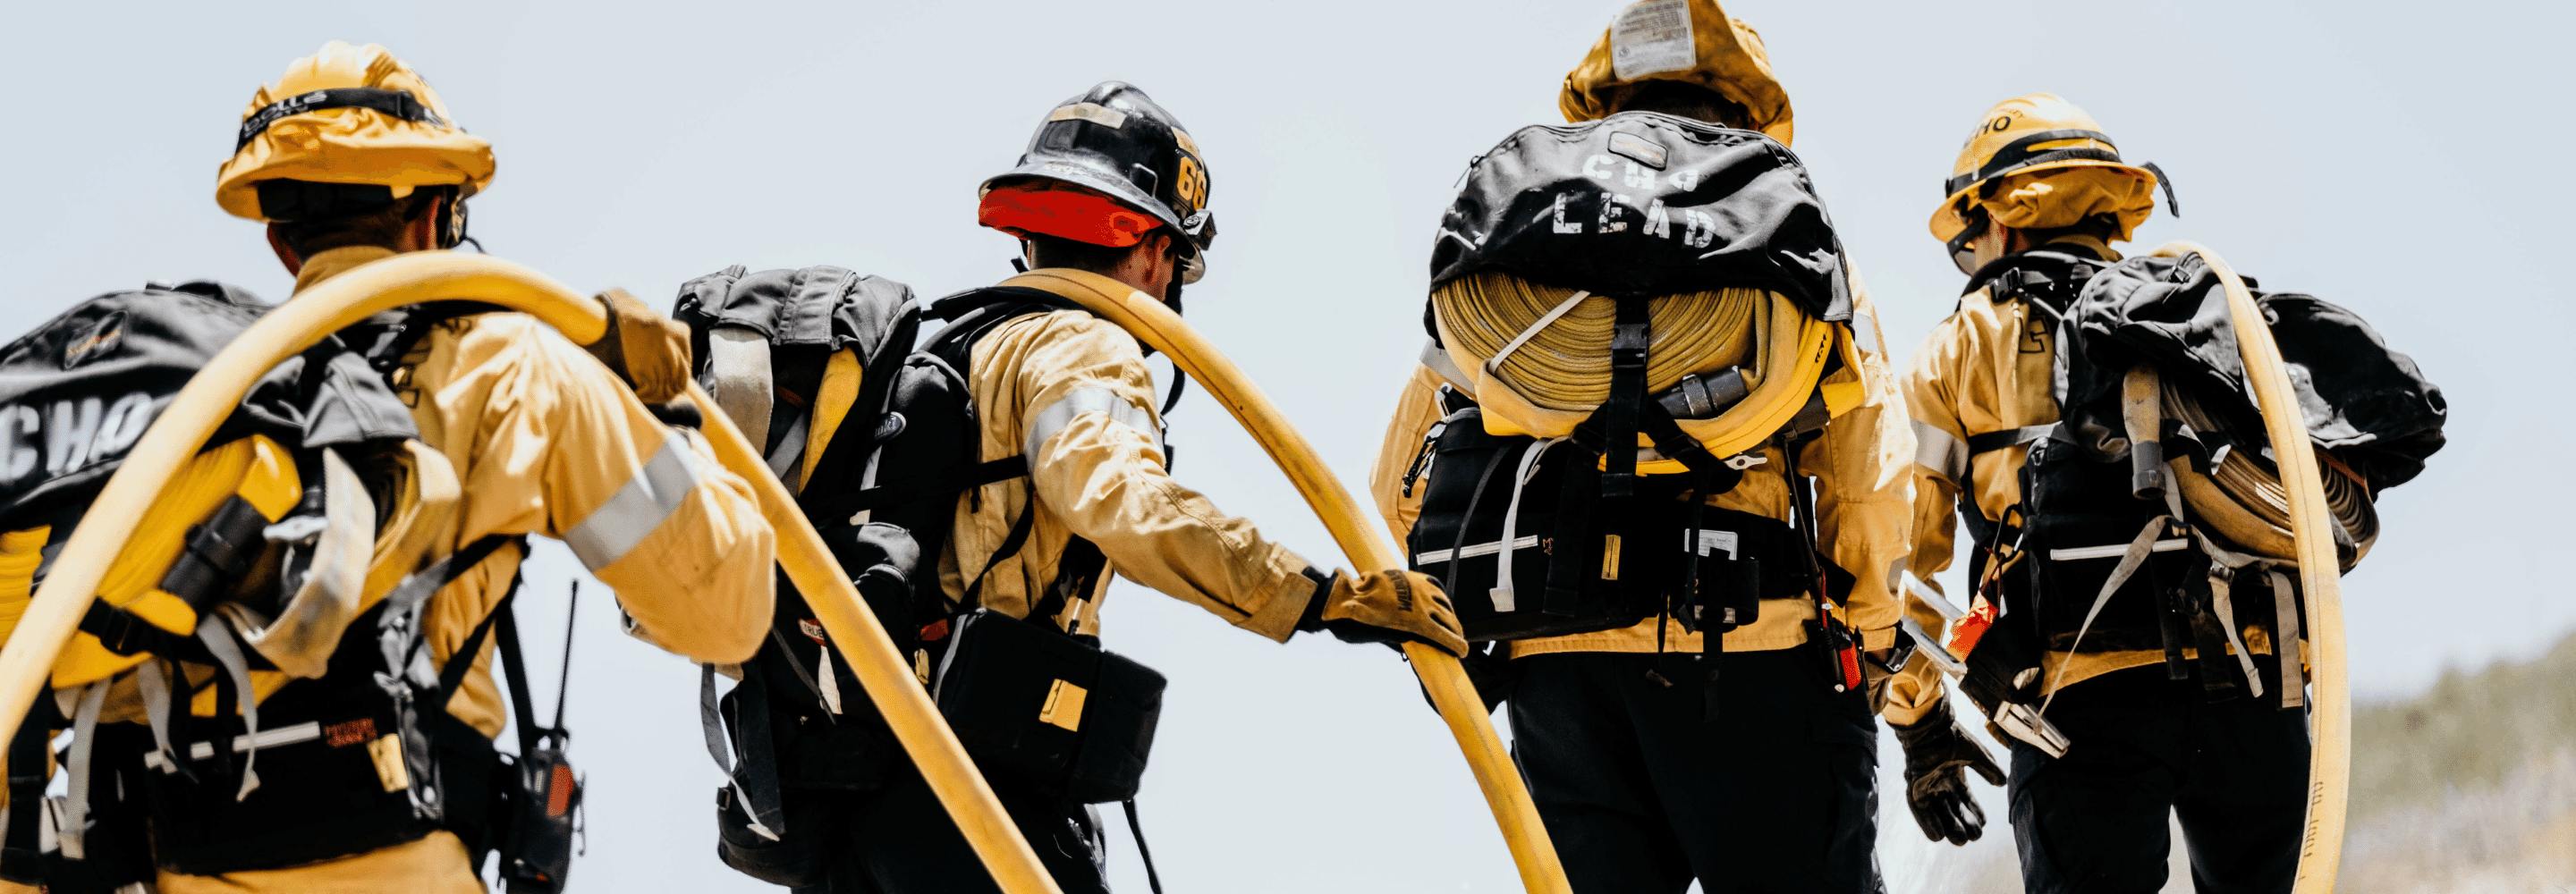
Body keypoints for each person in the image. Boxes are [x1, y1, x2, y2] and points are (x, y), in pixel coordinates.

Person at [5, 40, 777, 894]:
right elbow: (727, 610)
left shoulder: (186, 401)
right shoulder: (509, 368)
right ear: (433, 217)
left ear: (281, 242)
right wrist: (659, 409)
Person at [721, 80, 1463, 894]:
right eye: (1174, 262)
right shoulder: (1079, 343)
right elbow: (1122, 502)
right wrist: (1322, 596)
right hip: (971, 789)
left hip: (849, 793)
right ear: (1153, 251)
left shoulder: (949, 345)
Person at [1367, 3, 1912, 890]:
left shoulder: (1522, 245)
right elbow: (1867, 471)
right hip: (1747, 645)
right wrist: (1872, 633)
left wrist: (1483, 620)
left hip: (1558, 661)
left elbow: (1400, 479)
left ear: (1603, 102)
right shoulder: (1786, 233)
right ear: (1746, 109)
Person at [1884, 93, 2295, 892]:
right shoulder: (2202, 318)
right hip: (2253, 676)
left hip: (2076, 695)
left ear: (2000, 220)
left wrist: (1919, 723)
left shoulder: (1960, 347)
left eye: (1969, 241)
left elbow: (1900, 565)